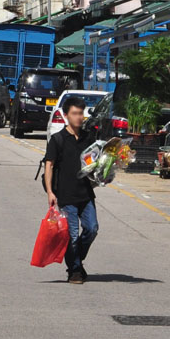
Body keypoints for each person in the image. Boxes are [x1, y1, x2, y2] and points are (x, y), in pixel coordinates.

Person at [44, 96, 100, 284]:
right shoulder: (58, 139)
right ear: (66, 115)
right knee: (72, 236)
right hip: (66, 195)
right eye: (75, 113)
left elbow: (95, 162)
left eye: (81, 114)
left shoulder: (88, 138)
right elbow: (49, 166)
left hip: (85, 194)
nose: (79, 117)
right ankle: (74, 270)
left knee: (92, 229)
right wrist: (51, 192)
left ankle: (77, 260)